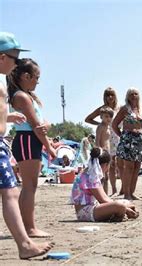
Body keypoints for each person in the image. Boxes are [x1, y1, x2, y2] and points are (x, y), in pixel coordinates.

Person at [0, 31, 54, 259]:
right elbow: (35, 125)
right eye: (14, 57)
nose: (15, 62)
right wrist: (50, 147)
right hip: (22, 141)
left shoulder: (22, 95)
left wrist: (9, 118)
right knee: (20, 189)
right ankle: (26, 235)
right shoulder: (15, 94)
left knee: (17, 189)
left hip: (20, 140)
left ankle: (26, 236)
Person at [7, 57, 57, 238]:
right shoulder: (21, 96)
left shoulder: (27, 96)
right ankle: (29, 228)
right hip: (27, 140)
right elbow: (36, 126)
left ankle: (28, 226)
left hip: (30, 140)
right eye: (36, 77)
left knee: (31, 186)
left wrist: (46, 129)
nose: (38, 81)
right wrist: (50, 148)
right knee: (29, 186)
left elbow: (42, 124)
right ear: (26, 76)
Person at [70, 147, 138, 222]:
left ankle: (117, 213)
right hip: (86, 212)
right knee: (120, 206)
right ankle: (117, 214)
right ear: (106, 165)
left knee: (125, 203)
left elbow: (105, 198)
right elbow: (103, 200)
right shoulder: (91, 177)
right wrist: (125, 208)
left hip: (92, 207)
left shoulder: (90, 173)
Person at [85, 87, 120, 195]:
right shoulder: (102, 110)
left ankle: (114, 189)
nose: (110, 97)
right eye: (107, 95)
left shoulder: (119, 108)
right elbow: (88, 119)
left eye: (112, 95)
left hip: (114, 136)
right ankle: (103, 193)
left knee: (115, 165)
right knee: (104, 172)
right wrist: (101, 125)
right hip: (104, 141)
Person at [112, 88, 142, 201]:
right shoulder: (125, 109)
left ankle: (132, 192)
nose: (133, 96)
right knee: (129, 167)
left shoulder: (141, 109)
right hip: (128, 139)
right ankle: (126, 193)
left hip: (139, 140)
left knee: (137, 167)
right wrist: (122, 136)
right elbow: (114, 124)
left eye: (136, 94)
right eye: (131, 94)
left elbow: (141, 126)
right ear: (127, 96)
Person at [96, 106, 114, 194]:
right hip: (102, 153)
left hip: (108, 152)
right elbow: (97, 140)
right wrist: (100, 152)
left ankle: (106, 194)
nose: (108, 118)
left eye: (110, 116)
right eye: (106, 116)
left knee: (106, 176)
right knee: (101, 176)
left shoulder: (108, 127)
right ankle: (101, 194)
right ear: (101, 117)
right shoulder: (101, 127)